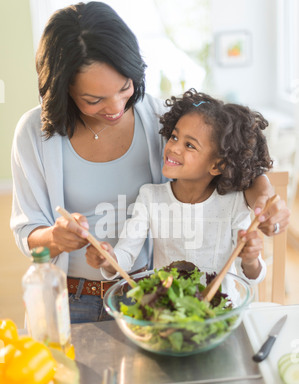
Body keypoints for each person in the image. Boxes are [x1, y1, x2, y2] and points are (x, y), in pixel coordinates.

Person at [10, 2, 289, 324]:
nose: (116, 107)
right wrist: (55, 238)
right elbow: (27, 230)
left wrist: (265, 197)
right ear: (63, 89)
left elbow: (235, 154)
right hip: (73, 297)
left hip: (151, 293)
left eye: (125, 87)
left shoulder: (165, 123)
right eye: (93, 100)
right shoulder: (33, 133)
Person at [85, 89, 272, 296]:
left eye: (190, 145)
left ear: (217, 165)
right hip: (169, 312)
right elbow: (126, 254)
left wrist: (250, 259)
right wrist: (109, 258)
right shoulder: (150, 197)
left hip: (220, 315)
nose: (173, 147)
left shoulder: (234, 203)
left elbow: (251, 277)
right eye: (174, 137)